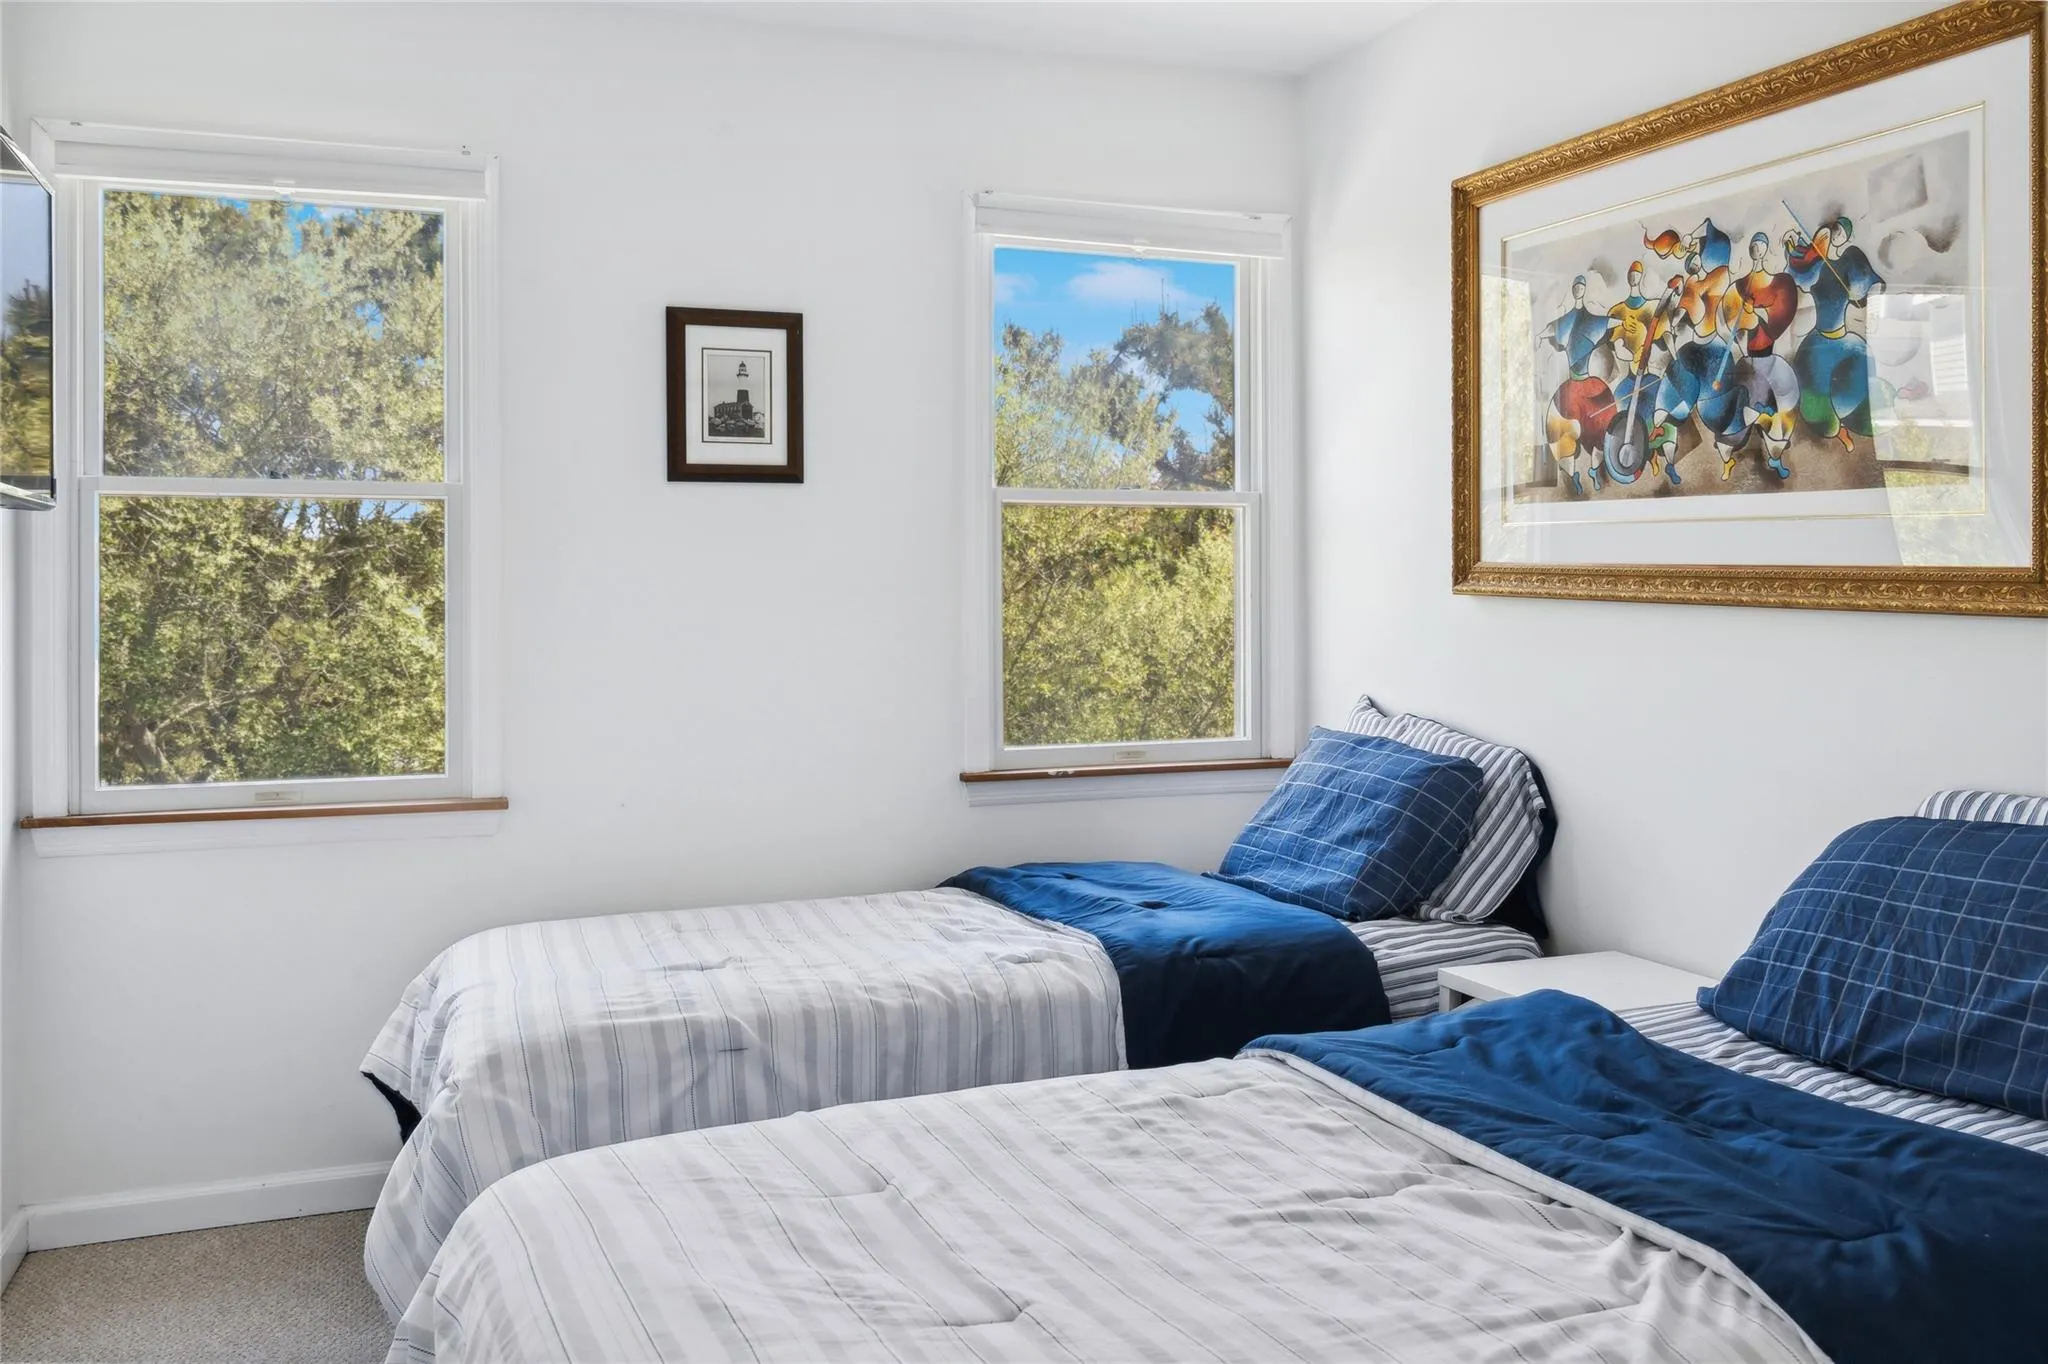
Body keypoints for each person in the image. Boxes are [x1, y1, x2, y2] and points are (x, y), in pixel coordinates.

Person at [1786, 216, 1885, 450]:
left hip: (1844, 339)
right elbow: (1801, 278)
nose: (1837, 235)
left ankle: (1855, 420)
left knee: (1863, 380)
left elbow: (1871, 289)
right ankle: (1837, 429)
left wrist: (1874, 308)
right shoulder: (1818, 265)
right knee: (1817, 407)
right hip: (1818, 340)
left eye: (1842, 232)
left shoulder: (1849, 263)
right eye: (1834, 231)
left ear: (1847, 238)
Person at [1542, 275, 1620, 496]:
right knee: (1562, 431)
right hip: (1572, 387)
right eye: (1575, 286)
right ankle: (1575, 474)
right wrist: (1538, 337)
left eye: (1581, 287)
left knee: (1602, 430)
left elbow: (1607, 322)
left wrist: (1625, 322)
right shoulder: (1566, 319)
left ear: (1584, 291)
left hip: (1590, 385)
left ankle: (1595, 471)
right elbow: (1549, 328)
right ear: (1573, 289)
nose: (1578, 290)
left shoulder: (1590, 319)